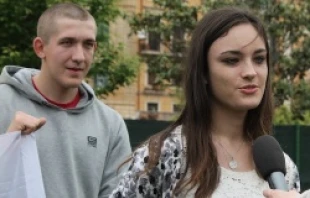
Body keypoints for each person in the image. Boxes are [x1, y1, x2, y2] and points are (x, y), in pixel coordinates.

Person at [110, 7, 300, 198]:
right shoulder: (164, 156)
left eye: (259, 59)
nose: (250, 72)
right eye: (232, 60)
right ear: (203, 71)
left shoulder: (284, 170)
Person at [0, 2, 131, 198]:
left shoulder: (111, 124)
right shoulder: (3, 103)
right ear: (40, 47)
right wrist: (7, 147)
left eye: (88, 44)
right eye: (67, 42)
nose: (79, 56)